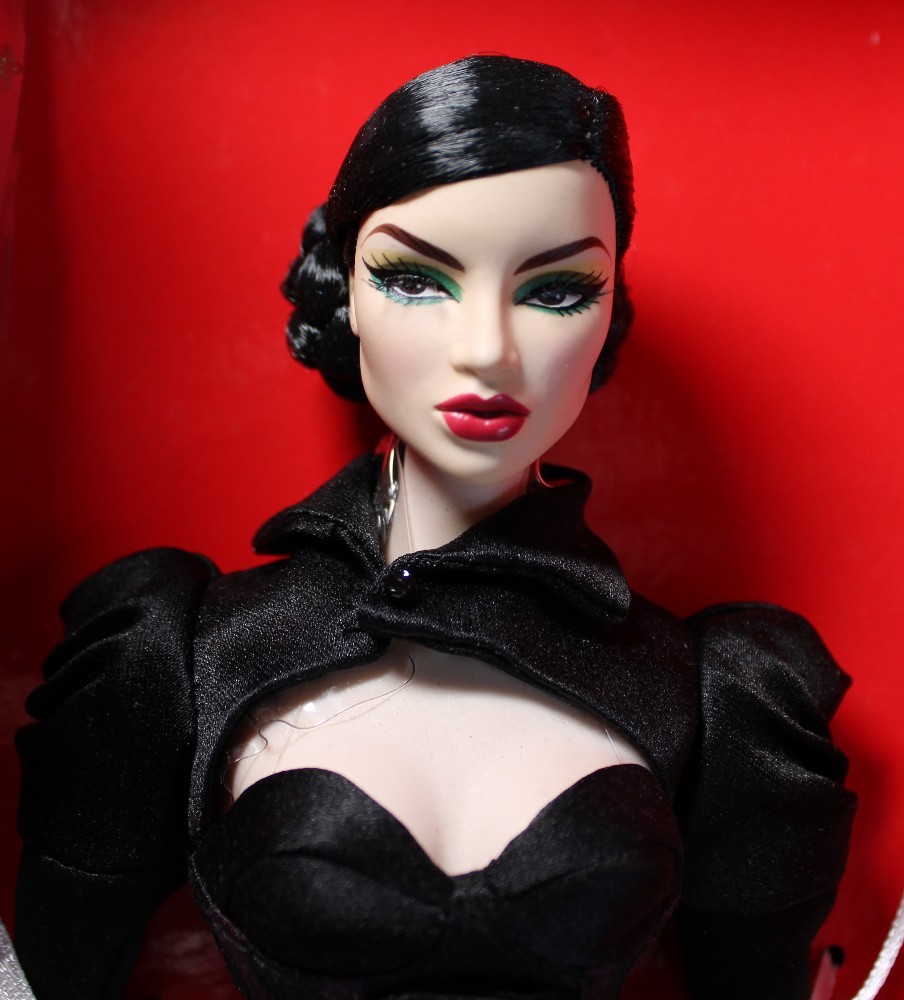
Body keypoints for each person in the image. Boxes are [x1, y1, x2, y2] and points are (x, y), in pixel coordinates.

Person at [14, 55, 856, 999]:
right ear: (346, 292)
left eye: (556, 290)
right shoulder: (180, 651)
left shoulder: (718, 691)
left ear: (607, 312)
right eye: (415, 278)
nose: (487, 351)